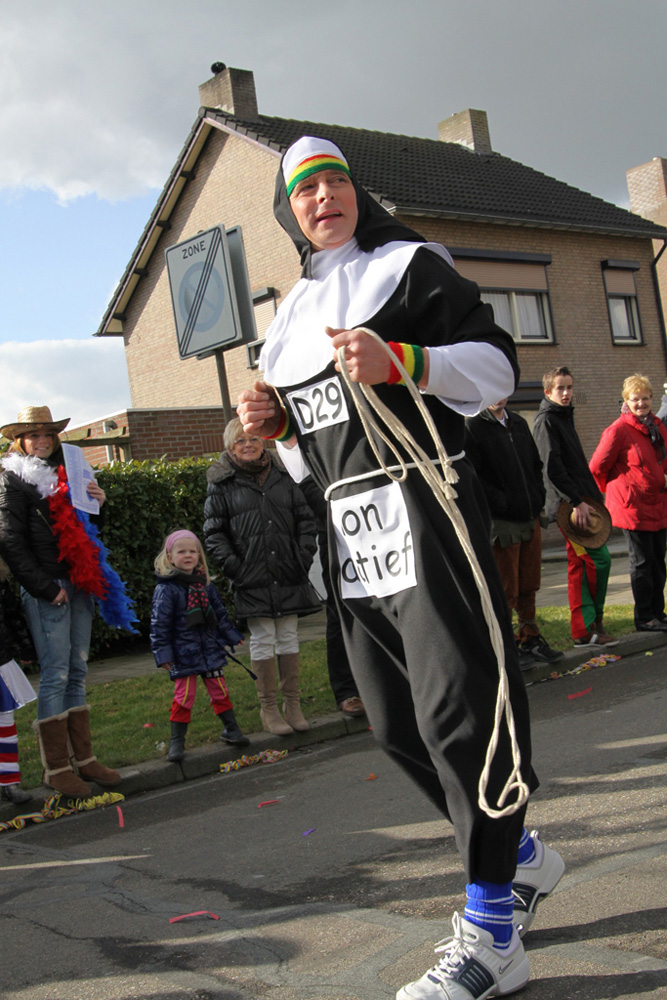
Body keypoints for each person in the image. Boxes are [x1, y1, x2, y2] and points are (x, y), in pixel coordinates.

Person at [237, 136, 564, 1000]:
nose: (323, 197)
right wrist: (278, 429)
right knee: (393, 722)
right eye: (305, 190)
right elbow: (313, 462)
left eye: (335, 181)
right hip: (351, 538)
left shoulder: (411, 267)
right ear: (289, 212)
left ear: (356, 192)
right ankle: (520, 855)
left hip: (426, 509)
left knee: (462, 712)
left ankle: (493, 935)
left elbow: (497, 371)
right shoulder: (287, 321)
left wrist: (406, 361)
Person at [0, 405, 134, 799]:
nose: (42, 441)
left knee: (77, 669)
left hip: (79, 580)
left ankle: (83, 759)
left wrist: (98, 503)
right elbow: (10, 541)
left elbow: (84, 530)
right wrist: (44, 587)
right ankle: (56, 768)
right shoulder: (12, 479)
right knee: (56, 673)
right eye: (34, 435)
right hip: (49, 587)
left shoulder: (68, 472)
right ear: (20, 441)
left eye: (48, 434)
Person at [203, 418, 320, 737]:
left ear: (263, 441)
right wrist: (237, 569)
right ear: (230, 447)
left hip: (288, 572)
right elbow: (214, 533)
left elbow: (305, 521)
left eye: (253, 438)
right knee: (264, 638)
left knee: (289, 637)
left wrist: (302, 557)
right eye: (240, 441)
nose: (248, 445)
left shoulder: (283, 474)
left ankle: (293, 706)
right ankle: (268, 709)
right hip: (251, 578)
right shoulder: (222, 483)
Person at [465, 398, 563, 665]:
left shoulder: (518, 422)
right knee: (506, 588)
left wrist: (538, 495)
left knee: (529, 583)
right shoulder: (473, 427)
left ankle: (530, 637)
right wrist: (504, 503)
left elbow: (535, 464)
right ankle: (507, 647)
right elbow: (473, 476)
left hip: (530, 515)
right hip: (502, 522)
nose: (499, 396)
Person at [532, 368, 618, 648]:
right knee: (586, 564)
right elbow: (552, 469)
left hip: (583, 503)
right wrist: (576, 502)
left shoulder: (563, 416)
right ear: (548, 391)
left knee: (599, 562)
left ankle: (595, 622)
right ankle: (583, 631)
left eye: (569, 387)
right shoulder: (546, 421)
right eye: (560, 388)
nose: (566, 393)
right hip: (569, 508)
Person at [150, 529, 248, 762]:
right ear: (170, 557)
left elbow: (219, 615)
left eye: (192, 552)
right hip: (183, 653)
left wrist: (231, 635)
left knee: (219, 690)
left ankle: (231, 729)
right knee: (184, 696)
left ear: (199, 556)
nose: (188, 555)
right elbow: (159, 625)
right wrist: (163, 654)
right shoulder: (166, 589)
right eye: (181, 552)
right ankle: (177, 742)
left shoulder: (206, 585)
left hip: (209, 649)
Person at [590, 374, 667, 633]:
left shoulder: (657, 427)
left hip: (658, 504)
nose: (641, 403)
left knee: (658, 562)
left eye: (645, 398)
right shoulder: (618, 430)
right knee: (642, 563)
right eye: (635, 399)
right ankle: (644, 617)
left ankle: (658, 612)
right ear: (626, 401)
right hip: (633, 509)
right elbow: (597, 467)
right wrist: (621, 491)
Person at [299, 476, 366, 717]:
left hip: (372, 529)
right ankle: (347, 690)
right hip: (335, 533)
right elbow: (305, 485)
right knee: (340, 613)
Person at [0, 556, 37, 804]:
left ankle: (9, 782)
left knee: (5, 723)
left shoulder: (1, 584)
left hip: (0, 661)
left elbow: (13, 616)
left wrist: (25, 646)